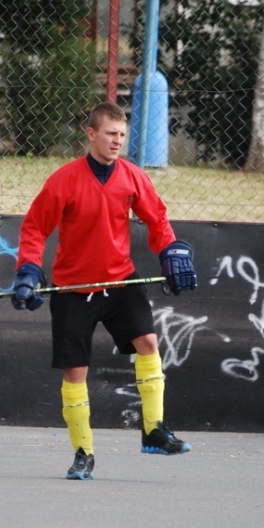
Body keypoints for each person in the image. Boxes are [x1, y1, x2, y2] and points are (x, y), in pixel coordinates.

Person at [12, 101, 197, 480]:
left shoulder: (132, 177)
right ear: (91, 134)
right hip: (73, 288)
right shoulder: (64, 180)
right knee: (76, 371)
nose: (117, 141)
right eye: (111, 134)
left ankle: (154, 431)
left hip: (120, 282)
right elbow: (34, 228)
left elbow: (158, 220)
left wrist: (170, 253)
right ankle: (83, 454)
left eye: (122, 135)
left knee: (148, 342)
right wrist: (28, 271)